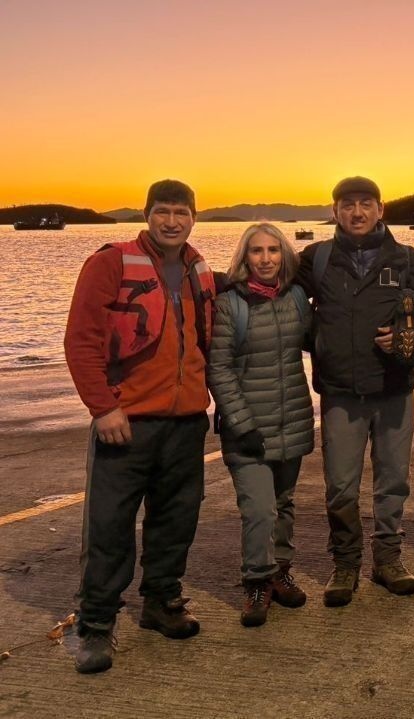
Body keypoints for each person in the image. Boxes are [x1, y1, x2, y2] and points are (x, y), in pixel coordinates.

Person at [64, 180, 216, 673]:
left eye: (181, 212)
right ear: (146, 214)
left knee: (176, 521)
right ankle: (96, 624)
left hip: (186, 422)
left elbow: (206, 342)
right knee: (109, 527)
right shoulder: (110, 262)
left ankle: (161, 603)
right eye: (162, 211)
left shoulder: (200, 270)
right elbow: (81, 340)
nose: (172, 221)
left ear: (194, 216)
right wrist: (102, 408)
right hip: (125, 423)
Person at [297, 177, 414, 607]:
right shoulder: (318, 258)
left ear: (381, 209)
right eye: (348, 205)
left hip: (393, 388)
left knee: (393, 481)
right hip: (340, 392)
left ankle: (387, 560)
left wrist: (411, 332)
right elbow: (277, 292)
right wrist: (316, 337)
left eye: (366, 204)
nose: (357, 212)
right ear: (335, 211)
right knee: (341, 486)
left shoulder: (404, 258)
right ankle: (345, 564)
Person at [207, 223, 314, 626]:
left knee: (284, 503)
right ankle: (256, 579)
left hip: (292, 420)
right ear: (244, 257)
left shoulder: (298, 298)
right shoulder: (230, 304)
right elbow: (218, 368)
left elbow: (316, 342)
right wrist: (241, 422)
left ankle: (279, 570)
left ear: (284, 256)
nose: (266, 259)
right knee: (258, 508)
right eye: (257, 251)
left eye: (273, 250)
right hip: (248, 427)